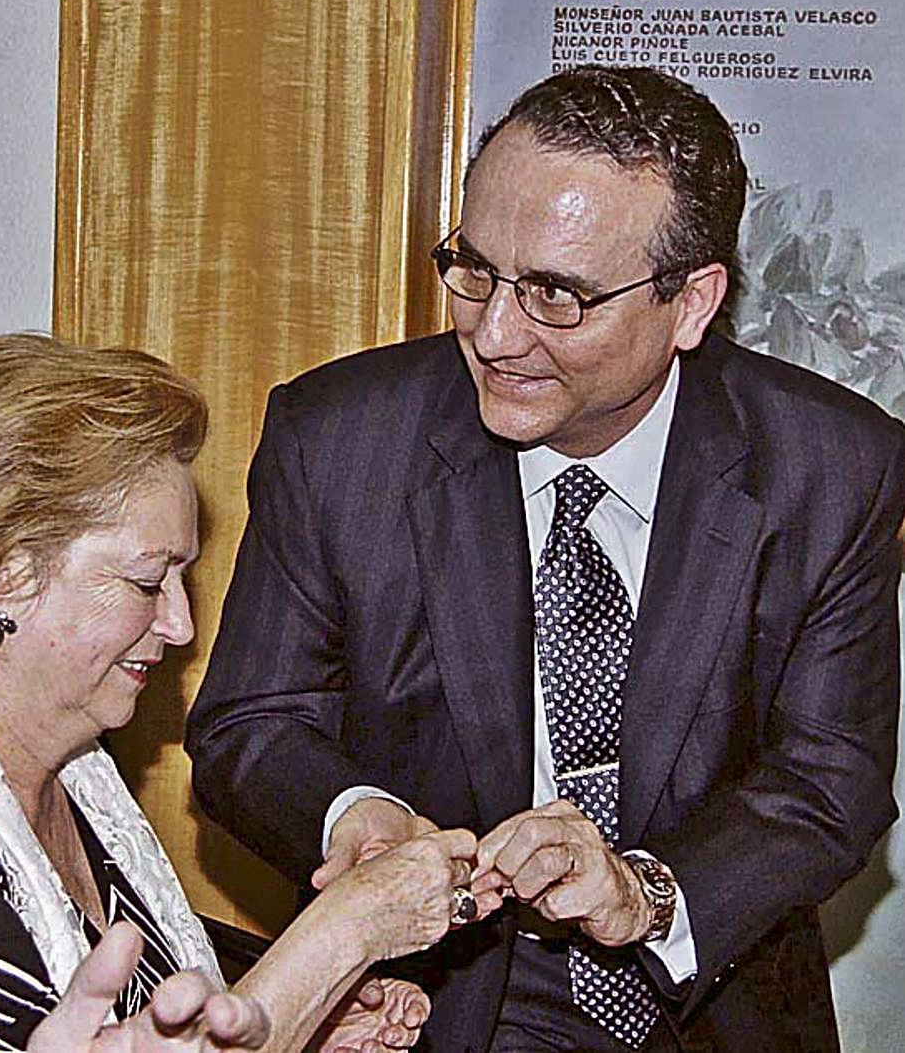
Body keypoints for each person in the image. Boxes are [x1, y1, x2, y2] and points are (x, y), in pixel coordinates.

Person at [186, 64, 905, 1052]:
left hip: (707, 998)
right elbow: (250, 723)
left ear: (690, 305)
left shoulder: (828, 467)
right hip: (425, 1009)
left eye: (557, 295)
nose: (493, 332)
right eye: (474, 268)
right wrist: (353, 812)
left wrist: (643, 892)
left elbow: (831, 780)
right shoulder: (341, 439)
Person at [0, 333, 498, 1052]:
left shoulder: (75, 784)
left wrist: (306, 1028)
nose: (180, 623)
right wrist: (342, 933)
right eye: (146, 580)